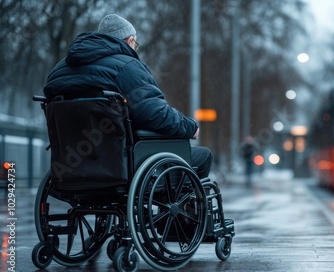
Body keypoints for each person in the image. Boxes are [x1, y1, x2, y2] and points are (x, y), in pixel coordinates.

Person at [43, 14, 212, 178]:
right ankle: (187, 206)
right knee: (203, 156)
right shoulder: (128, 67)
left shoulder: (58, 71)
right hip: (118, 165)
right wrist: (189, 126)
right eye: (135, 44)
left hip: (69, 166)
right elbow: (154, 113)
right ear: (130, 40)